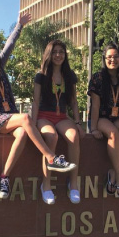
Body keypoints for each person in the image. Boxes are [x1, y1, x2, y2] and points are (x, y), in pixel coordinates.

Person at [0, 13, 76, 200]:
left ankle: (4, 177)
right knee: (26, 118)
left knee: (22, 133)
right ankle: (51, 158)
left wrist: (19, 26)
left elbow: (9, 46)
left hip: (9, 117)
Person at [32, 40, 85, 205]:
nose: (58, 55)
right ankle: (46, 185)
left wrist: (77, 122)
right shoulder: (41, 75)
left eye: (61, 51)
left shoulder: (70, 76)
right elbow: (35, 101)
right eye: (54, 52)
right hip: (44, 115)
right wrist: (33, 124)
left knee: (74, 136)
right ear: (49, 54)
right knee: (52, 137)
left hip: (61, 116)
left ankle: (73, 183)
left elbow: (74, 102)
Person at [88, 43, 119, 197]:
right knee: (113, 134)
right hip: (102, 117)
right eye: (109, 57)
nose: (112, 60)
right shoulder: (98, 78)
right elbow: (94, 105)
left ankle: (113, 174)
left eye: (116, 56)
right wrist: (94, 128)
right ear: (104, 59)